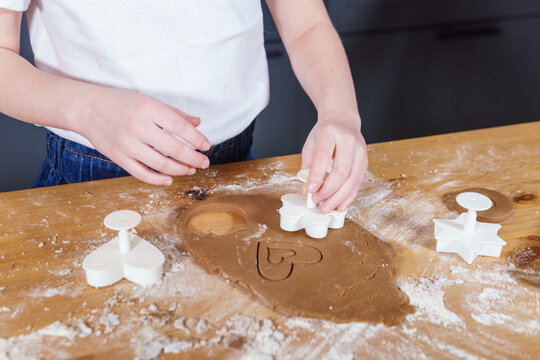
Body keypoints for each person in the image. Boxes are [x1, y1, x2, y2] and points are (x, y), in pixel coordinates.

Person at [0, 0, 367, 213]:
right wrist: (87, 109)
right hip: (94, 174)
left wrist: (340, 114)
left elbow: (306, 25)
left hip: (237, 166)